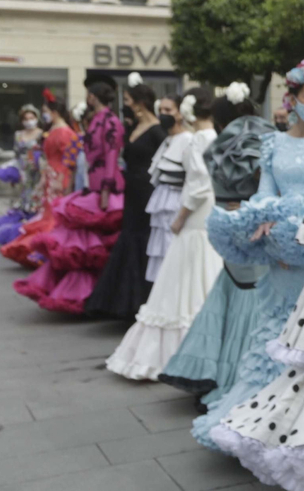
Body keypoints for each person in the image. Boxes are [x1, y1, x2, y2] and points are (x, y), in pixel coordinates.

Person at [190, 61, 304, 451]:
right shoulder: (274, 143)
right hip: (280, 256)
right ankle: (258, 421)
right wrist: (267, 225)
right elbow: (264, 196)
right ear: (293, 98)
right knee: (273, 333)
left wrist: (303, 233)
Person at [159, 85, 273, 402]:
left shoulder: (218, 146)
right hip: (260, 227)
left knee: (234, 292)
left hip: (228, 226)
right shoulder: (270, 140)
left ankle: (220, 371)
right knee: (253, 298)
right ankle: (244, 375)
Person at [106, 89, 223, 381]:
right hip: (211, 213)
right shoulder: (217, 138)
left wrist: (179, 217)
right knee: (204, 273)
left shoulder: (197, 140)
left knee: (184, 278)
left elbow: (198, 185)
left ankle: (175, 352)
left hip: (196, 216)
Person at [22, 80, 124, 315]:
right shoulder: (97, 119)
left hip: (104, 189)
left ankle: (101, 295)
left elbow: (111, 156)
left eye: (89, 94)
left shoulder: (109, 120)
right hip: (91, 186)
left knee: (96, 245)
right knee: (83, 246)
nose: (87, 98)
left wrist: (106, 191)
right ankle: (85, 293)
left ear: (95, 96)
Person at [86, 76, 167, 318]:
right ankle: (125, 301)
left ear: (141, 102)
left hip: (147, 191)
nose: (126, 104)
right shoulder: (133, 127)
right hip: (131, 190)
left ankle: (143, 299)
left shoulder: (157, 130)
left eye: (130, 100)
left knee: (143, 241)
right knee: (129, 239)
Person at [6, 93, 79, 272]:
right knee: (48, 212)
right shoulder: (55, 129)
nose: (44, 115)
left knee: (54, 214)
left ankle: (50, 249)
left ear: (54, 112)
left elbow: (71, 159)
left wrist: (64, 180)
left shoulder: (63, 131)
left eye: (45, 111)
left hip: (59, 176)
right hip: (50, 175)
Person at [143, 94, 191, 283]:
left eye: (168, 110)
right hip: (162, 202)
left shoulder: (188, 139)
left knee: (173, 250)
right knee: (161, 250)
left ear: (180, 113)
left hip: (177, 202)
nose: (163, 114)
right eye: (161, 110)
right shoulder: (168, 140)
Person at [0, 104, 44, 246]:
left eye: (31, 118)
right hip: (23, 171)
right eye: (26, 118)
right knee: (22, 199)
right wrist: (14, 172)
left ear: (37, 118)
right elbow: (16, 154)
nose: (29, 121)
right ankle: (21, 230)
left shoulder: (42, 134)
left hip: (38, 171)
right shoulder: (18, 135)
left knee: (35, 199)